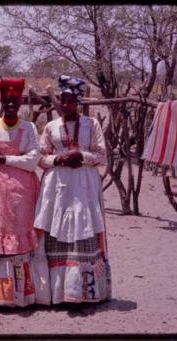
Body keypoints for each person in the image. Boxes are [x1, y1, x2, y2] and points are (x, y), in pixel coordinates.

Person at [0, 78, 51, 308]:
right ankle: (2, 296)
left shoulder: (28, 128)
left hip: (22, 195)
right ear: (2, 101)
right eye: (7, 100)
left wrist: (6, 159)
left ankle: (23, 295)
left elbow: (33, 159)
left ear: (20, 102)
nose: (10, 104)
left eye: (14, 101)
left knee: (21, 241)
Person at [34, 75, 112, 304]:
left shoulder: (91, 124)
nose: (66, 105)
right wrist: (58, 160)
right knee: (55, 232)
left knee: (84, 229)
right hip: (56, 190)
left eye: (70, 101)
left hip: (84, 189)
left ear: (78, 102)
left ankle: (83, 294)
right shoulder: (51, 127)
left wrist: (81, 155)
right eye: (63, 100)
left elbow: (101, 156)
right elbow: (39, 157)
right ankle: (57, 295)